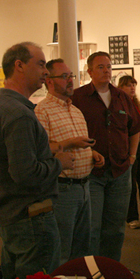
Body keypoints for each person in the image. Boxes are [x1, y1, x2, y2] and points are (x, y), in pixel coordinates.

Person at [0, 42, 75, 279]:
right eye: (41, 64)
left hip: (12, 217)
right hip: (31, 218)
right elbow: (25, 174)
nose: (46, 72)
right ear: (19, 65)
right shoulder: (19, 113)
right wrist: (59, 164)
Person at [71, 51, 140, 261]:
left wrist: (131, 158)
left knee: (115, 229)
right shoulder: (78, 97)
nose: (106, 70)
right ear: (90, 71)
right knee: (92, 228)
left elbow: (135, 128)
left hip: (120, 171)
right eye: (101, 67)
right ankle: (92, 271)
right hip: (92, 173)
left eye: (109, 67)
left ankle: (111, 270)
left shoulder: (122, 97)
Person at [35, 59, 105, 264]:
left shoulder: (75, 110)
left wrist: (92, 153)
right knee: (62, 248)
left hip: (84, 186)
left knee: (83, 249)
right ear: (49, 81)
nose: (70, 81)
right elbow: (41, 151)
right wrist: (71, 142)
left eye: (71, 76)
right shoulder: (42, 111)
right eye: (64, 76)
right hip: (62, 189)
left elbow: (78, 142)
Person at [117, 75, 140, 229]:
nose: (132, 88)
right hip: (129, 148)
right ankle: (132, 217)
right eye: (128, 85)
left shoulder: (135, 104)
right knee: (130, 184)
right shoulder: (118, 104)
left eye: (133, 85)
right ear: (121, 87)